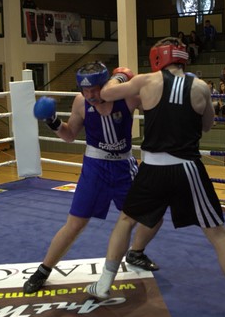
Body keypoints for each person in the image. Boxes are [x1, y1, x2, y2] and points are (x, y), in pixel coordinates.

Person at [85, 38, 225, 317]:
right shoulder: (201, 87)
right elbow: (208, 125)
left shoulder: (145, 81)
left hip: (152, 169)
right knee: (218, 234)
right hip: (188, 169)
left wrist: (120, 75)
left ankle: (104, 285)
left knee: (126, 221)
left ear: (158, 57)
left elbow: (106, 93)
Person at [23, 62, 161, 294]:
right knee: (76, 223)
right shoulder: (80, 102)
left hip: (123, 167)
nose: (90, 95)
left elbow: (154, 95)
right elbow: (69, 135)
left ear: (105, 85)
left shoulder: (127, 98)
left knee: (153, 216)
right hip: (94, 168)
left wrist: (123, 80)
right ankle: (43, 270)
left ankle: (136, 252)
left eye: (94, 90)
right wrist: (52, 120)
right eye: (85, 90)